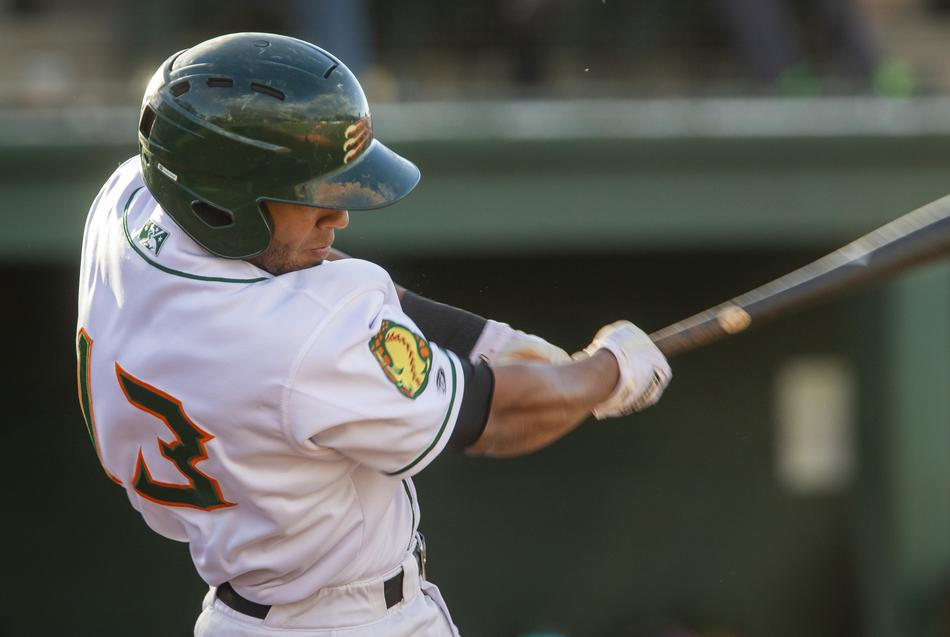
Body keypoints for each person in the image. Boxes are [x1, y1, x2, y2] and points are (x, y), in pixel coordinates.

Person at [75, 32, 671, 636]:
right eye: (309, 197)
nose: (338, 216)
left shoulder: (132, 202)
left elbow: (305, 275)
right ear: (225, 206)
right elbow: (498, 418)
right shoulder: (299, 341)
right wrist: (609, 371)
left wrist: (484, 339)